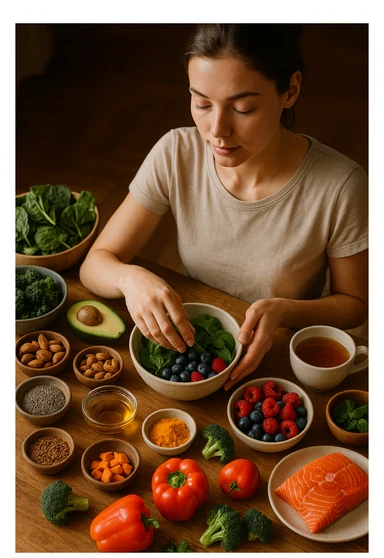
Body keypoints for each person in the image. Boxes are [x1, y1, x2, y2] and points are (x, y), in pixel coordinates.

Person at [80, 24, 368, 391]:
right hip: (196, 346)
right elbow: (96, 263)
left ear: (290, 91)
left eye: (243, 109)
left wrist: (284, 310)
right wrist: (129, 278)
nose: (217, 130)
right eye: (201, 104)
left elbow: (356, 303)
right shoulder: (175, 153)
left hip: (278, 358)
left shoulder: (341, 185)